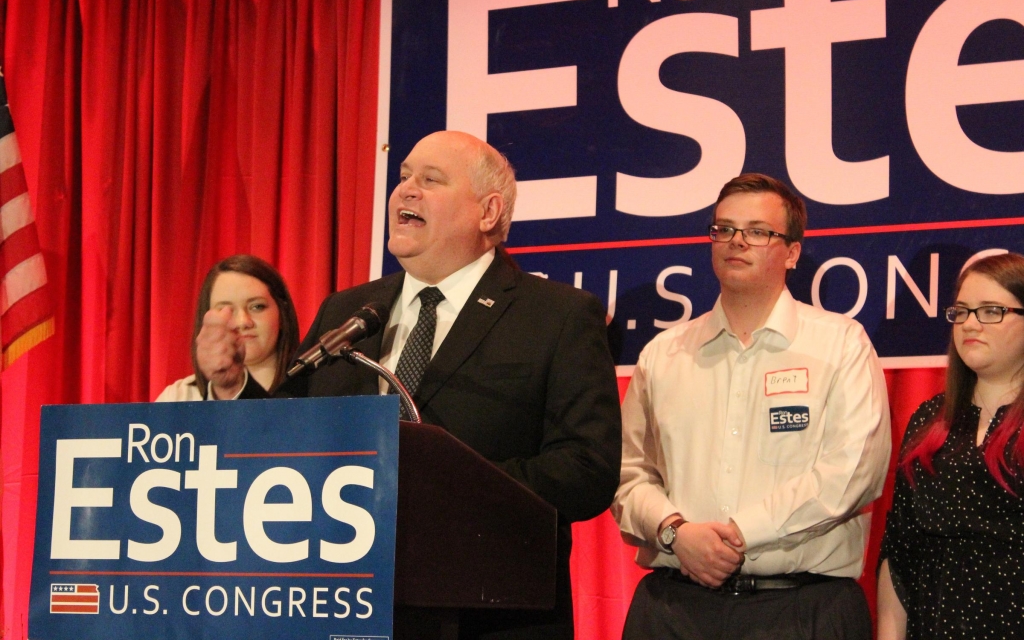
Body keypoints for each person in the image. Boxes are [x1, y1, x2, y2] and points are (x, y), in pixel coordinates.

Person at [196, 130, 622, 639]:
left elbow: (586, 471)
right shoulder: (347, 310)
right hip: (348, 605)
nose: (406, 190)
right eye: (403, 177)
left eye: (431, 179)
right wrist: (232, 387)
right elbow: (287, 436)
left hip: (488, 616)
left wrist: (439, 490)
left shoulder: (557, 316)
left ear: (488, 213)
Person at [613, 173, 891, 639]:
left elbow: (853, 472)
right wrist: (675, 532)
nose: (736, 241)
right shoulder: (664, 353)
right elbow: (626, 472)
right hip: (672, 609)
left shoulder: (840, 343)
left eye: (758, 231)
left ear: (793, 251)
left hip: (804, 610)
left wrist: (739, 534)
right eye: (724, 229)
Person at [876, 253, 1024, 640]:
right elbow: (900, 551)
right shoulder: (930, 419)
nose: (971, 324)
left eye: (991, 310)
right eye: (962, 311)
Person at [157, 254, 300, 401]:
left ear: (282, 314)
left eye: (257, 307)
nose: (243, 322)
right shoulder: (178, 398)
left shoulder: (313, 391)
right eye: (225, 310)